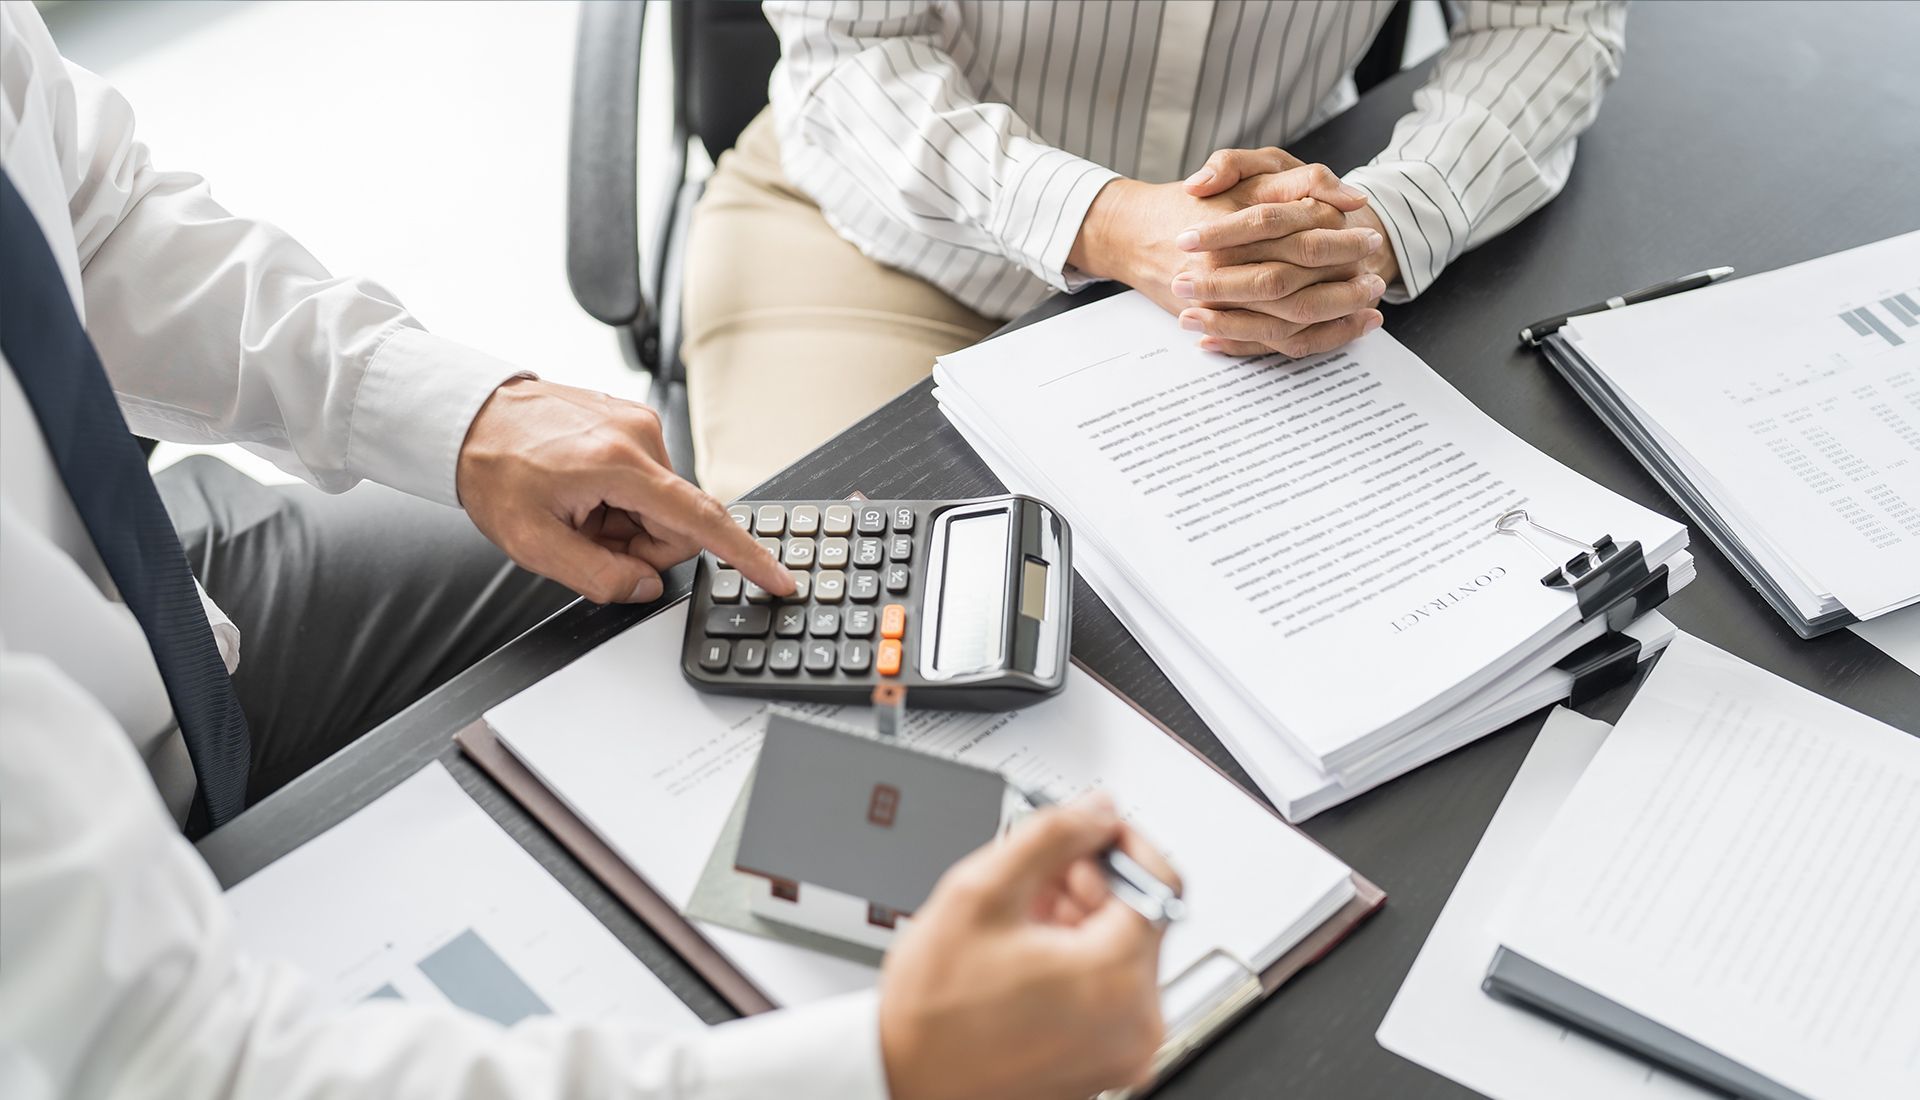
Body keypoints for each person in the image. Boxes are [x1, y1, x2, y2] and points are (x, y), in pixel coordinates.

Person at [0, 3, 1173, 1096]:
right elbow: (178, 1061)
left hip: (154, 584)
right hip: (71, 864)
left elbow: (90, 219)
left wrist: (465, 418)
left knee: (665, 587)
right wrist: (888, 1061)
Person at [685, 0, 1629, 500]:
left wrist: (1375, 225)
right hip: (886, 240)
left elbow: (1546, 24)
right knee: (855, 639)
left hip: (1264, 264)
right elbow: (849, 53)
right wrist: (1104, 220)